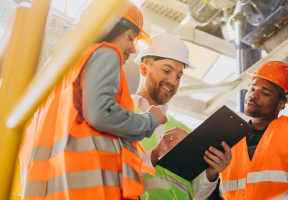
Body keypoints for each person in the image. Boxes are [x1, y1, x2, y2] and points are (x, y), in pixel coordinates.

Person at [18, 1, 167, 199]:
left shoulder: (65, 68)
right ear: (110, 27)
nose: (133, 49)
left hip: (58, 181)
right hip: (92, 182)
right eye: (130, 38)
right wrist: (150, 121)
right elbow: (100, 113)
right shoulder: (106, 52)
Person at [131, 34, 232, 200]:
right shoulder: (120, 114)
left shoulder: (183, 130)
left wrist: (211, 174)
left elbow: (194, 193)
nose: (173, 81)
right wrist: (154, 156)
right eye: (166, 70)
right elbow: (110, 172)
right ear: (143, 69)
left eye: (179, 76)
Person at [213, 61, 288, 200]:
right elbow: (210, 192)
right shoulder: (228, 138)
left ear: (281, 103)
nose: (254, 95)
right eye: (252, 89)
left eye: (265, 93)